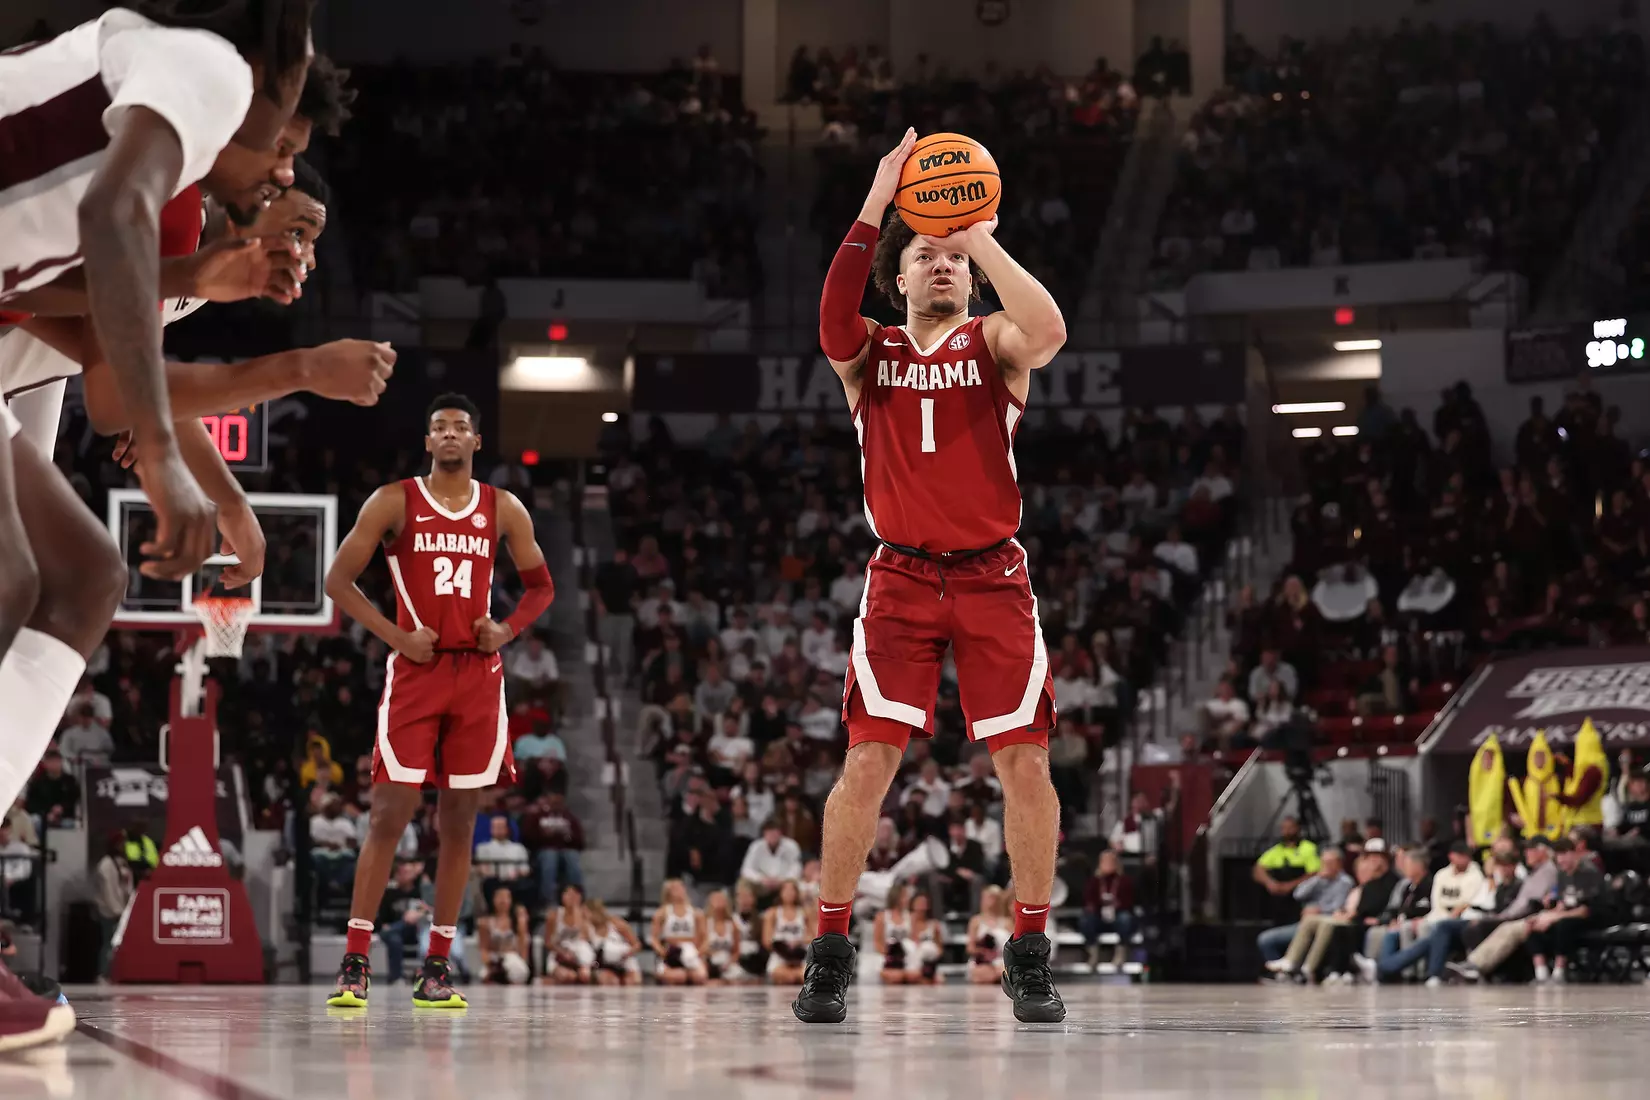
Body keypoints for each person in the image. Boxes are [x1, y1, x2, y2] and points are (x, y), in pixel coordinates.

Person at [795, 128, 1071, 1026]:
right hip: (901, 581)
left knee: (1024, 764)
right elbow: (832, 321)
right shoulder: (867, 354)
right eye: (928, 256)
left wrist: (975, 227)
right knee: (868, 761)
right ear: (899, 276)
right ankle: (830, 950)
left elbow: (1051, 328)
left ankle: (1028, 951)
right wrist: (882, 203)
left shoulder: (996, 341)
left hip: (994, 577)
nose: (943, 265)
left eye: (955, 260)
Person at [325, 393, 554, 1009]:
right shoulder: (393, 500)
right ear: (427, 442)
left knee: (459, 827)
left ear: (476, 441)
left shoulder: (502, 507)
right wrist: (398, 636)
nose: (449, 434)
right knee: (388, 818)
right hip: (417, 673)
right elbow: (336, 581)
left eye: (460, 426)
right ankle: (355, 964)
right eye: (438, 428)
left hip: (479, 675)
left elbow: (540, 586)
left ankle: (437, 967)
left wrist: (506, 629)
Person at [1256, 846, 1354, 966]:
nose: (1326, 866)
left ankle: (1293, 967)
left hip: (1325, 924)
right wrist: (1317, 878)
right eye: (1323, 862)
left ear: (1339, 864)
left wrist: (1318, 911)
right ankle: (1282, 973)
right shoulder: (1319, 879)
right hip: (1305, 923)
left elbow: (1338, 907)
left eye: (1329, 863)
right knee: (1266, 939)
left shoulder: (1345, 882)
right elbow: (1298, 895)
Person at [1082, 850, 1142, 969]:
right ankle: (1093, 953)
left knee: (1125, 918)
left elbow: (1130, 902)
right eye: (1105, 862)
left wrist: (1116, 904)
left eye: (1111, 862)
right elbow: (1088, 901)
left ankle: (1121, 952)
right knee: (1085, 920)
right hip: (1100, 916)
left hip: (1118, 915)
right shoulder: (1094, 881)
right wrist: (1099, 905)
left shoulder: (1125, 881)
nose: (1108, 864)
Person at [651, 878, 708, 986]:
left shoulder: (696, 913)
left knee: (700, 976)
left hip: (690, 952)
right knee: (679, 977)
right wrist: (662, 952)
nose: (679, 890)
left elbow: (705, 938)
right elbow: (654, 938)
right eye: (674, 889)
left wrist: (699, 953)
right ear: (668, 893)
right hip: (671, 951)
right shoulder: (662, 913)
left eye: (681, 887)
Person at [739, 820, 803, 906]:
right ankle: (746, 916)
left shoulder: (791, 846)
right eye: (769, 833)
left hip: (783, 882)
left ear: (780, 833)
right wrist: (761, 879)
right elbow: (746, 869)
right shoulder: (756, 846)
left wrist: (781, 880)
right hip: (762, 883)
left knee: (795, 885)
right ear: (764, 834)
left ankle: (792, 913)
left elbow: (796, 868)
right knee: (743, 883)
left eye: (775, 833)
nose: (772, 836)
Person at [544, 884, 595, 986]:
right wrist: (562, 952)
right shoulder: (554, 915)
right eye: (568, 894)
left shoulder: (584, 914)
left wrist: (579, 915)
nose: (572, 897)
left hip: (579, 955)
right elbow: (548, 942)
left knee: (585, 975)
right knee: (567, 976)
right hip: (559, 953)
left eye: (575, 894)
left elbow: (588, 938)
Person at [764, 879, 812, 986]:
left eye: (792, 890)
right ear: (780, 893)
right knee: (784, 977)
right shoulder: (772, 913)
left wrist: (798, 942)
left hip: (800, 955)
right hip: (780, 956)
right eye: (786, 890)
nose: (789, 893)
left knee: (804, 975)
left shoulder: (804, 912)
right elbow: (766, 940)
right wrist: (783, 946)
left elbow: (813, 936)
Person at [478, 887, 530, 986]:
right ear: (493, 900)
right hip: (495, 958)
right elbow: (483, 949)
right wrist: (489, 962)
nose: (503, 901)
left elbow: (523, 946)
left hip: (512, 958)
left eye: (506, 897)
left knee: (518, 970)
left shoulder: (517, 921)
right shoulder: (485, 923)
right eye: (500, 897)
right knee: (484, 974)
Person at [587, 900, 642, 986]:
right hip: (603, 964)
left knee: (633, 981)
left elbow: (637, 945)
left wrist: (627, 953)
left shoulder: (616, 923)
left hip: (624, 960)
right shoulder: (587, 928)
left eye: (588, 913)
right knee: (610, 982)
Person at [968, 885, 1014, 983]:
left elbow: (1015, 946)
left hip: (1003, 961)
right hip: (982, 962)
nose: (990, 901)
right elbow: (970, 948)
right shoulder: (976, 921)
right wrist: (983, 952)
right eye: (987, 898)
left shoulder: (1007, 922)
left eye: (993, 898)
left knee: (1004, 971)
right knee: (983, 973)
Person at [701, 889, 742, 985]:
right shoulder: (704, 922)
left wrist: (729, 962)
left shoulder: (732, 925)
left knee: (737, 977)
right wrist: (710, 954)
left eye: (721, 899)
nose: (719, 902)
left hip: (727, 962)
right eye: (716, 899)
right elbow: (699, 947)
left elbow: (736, 951)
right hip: (708, 961)